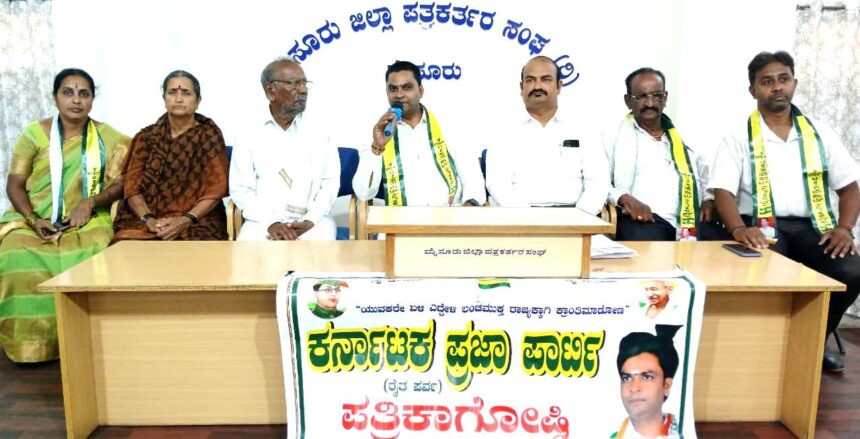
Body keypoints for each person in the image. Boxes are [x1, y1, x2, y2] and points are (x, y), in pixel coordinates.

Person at [709, 51, 860, 373]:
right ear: (753, 90)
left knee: (852, 269)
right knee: (768, 269)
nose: (777, 87)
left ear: (794, 83)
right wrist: (738, 229)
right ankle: (768, 349)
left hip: (811, 228)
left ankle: (813, 342)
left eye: (783, 79)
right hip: (759, 227)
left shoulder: (820, 133)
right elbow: (723, 192)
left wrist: (844, 228)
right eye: (767, 81)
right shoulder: (737, 137)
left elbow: (849, 187)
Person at [0, 68, 130, 362]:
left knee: (98, 249)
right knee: (13, 253)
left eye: (84, 94)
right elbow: (14, 184)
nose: (76, 100)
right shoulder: (33, 134)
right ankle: (29, 347)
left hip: (87, 218)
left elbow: (124, 181)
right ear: (55, 97)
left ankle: (89, 345)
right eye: (68, 93)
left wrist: (91, 201)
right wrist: (33, 219)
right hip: (33, 217)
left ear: (92, 99)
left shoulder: (111, 138)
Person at [230, 57, 340, 240]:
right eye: (294, 84)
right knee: (247, 251)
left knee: (321, 249)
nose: (303, 90)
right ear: (270, 91)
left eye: (304, 83)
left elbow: (329, 183)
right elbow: (241, 189)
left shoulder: (320, 129)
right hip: (262, 222)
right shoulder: (248, 132)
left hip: (313, 222)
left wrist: (310, 220)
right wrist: (272, 224)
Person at [113, 70, 228, 241]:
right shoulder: (146, 137)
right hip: (146, 221)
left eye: (186, 93)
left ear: (198, 101)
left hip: (198, 220)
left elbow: (216, 189)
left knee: (201, 251)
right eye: (172, 92)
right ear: (164, 99)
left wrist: (186, 219)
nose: (179, 99)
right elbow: (132, 187)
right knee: (127, 247)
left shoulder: (209, 136)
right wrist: (149, 220)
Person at [352, 60, 485, 207]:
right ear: (387, 93)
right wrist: (377, 147)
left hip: (450, 214)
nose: (399, 95)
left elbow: (473, 182)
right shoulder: (379, 131)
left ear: (420, 91)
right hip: (398, 218)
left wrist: (468, 209)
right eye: (393, 89)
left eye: (407, 87)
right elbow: (363, 193)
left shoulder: (449, 125)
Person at [603, 68, 717, 240]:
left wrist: (709, 200)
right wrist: (624, 198)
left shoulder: (687, 134)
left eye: (656, 95)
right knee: (643, 241)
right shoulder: (612, 137)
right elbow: (599, 184)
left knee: (723, 244)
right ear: (628, 100)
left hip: (692, 220)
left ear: (665, 98)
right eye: (641, 97)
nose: (650, 103)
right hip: (644, 221)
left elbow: (705, 176)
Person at [485, 56, 609, 212]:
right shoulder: (504, 131)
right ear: (521, 87)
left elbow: (598, 181)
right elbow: (498, 184)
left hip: (575, 216)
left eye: (546, 79)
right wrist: (528, 219)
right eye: (530, 80)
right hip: (519, 217)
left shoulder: (583, 128)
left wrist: (580, 218)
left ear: (559, 86)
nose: (537, 86)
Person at [612, 325, 682, 438]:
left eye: (647, 377)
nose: (634, 388)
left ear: (666, 385)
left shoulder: (682, 431)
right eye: (627, 378)